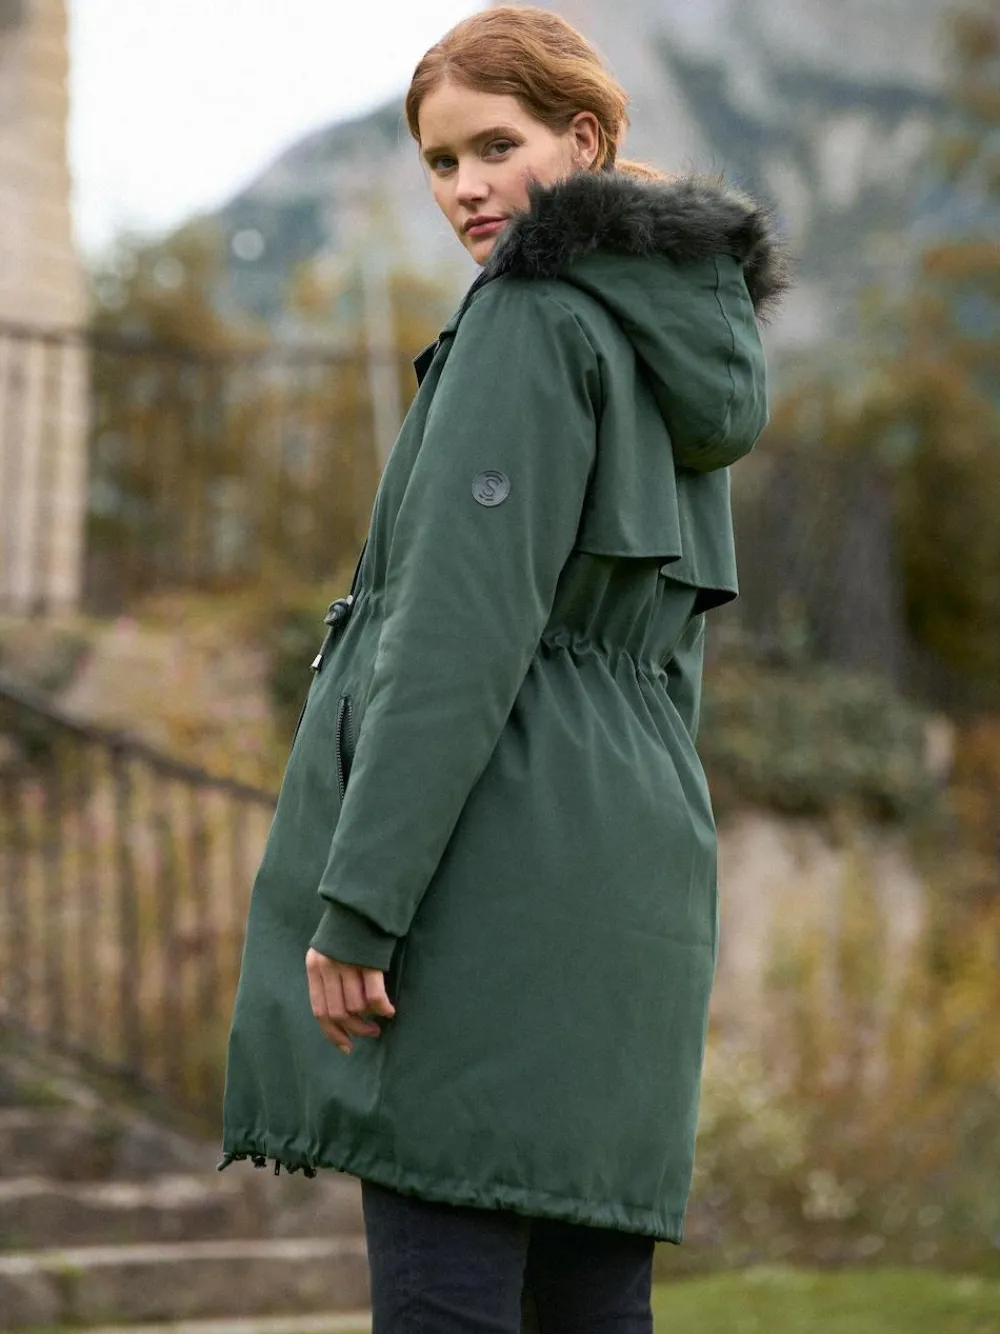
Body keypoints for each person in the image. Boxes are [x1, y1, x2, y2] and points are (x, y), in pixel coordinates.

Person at [220, 6, 788, 1331]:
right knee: (592, 1299)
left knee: (452, 1285)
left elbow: (453, 642)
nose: (467, 187)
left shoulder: (529, 320)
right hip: (635, 884)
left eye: (496, 146)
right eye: (440, 160)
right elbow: (672, 665)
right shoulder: (674, 348)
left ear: (584, 140)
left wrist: (359, 904)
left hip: (493, 884)